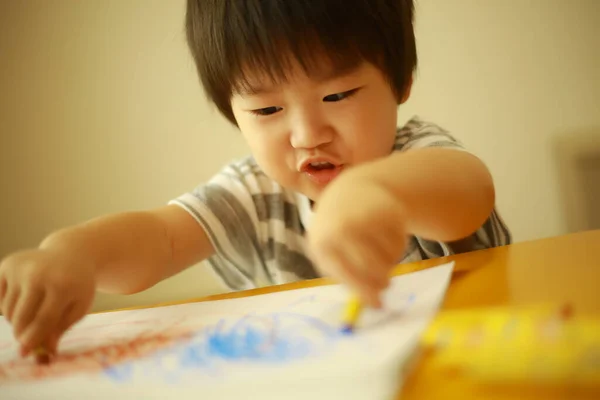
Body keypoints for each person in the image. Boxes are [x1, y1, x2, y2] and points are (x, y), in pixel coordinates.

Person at [0, 0, 511, 361]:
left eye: (338, 95)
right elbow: (160, 238)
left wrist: (375, 193)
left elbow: (469, 191)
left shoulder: (416, 158)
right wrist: (73, 255)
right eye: (267, 108)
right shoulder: (252, 194)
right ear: (233, 113)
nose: (308, 134)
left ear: (399, 82)